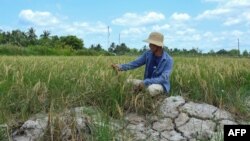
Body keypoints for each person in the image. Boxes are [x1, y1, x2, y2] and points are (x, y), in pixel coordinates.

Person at [111, 32, 173, 96]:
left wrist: (145, 82)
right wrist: (120, 67)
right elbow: (135, 63)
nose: (149, 45)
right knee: (127, 82)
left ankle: (141, 92)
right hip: (146, 83)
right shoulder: (148, 54)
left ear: (157, 45)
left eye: (151, 43)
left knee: (151, 89)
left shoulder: (168, 60)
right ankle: (140, 91)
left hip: (159, 85)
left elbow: (163, 78)